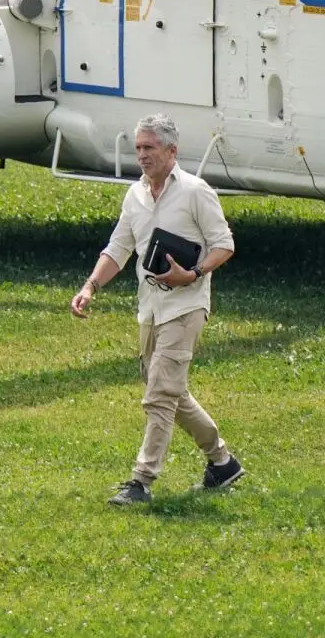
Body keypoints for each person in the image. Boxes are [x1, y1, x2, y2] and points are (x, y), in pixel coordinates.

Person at [70, 113, 246, 506]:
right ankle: (222, 462)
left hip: (187, 306)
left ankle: (141, 481)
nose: (142, 155)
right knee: (170, 391)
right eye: (138, 148)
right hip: (150, 308)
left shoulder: (196, 192)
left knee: (160, 395)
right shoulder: (135, 195)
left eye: (149, 147)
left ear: (171, 151)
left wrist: (194, 272)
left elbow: (225, 244)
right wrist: (90, 286)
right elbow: (118, 248)